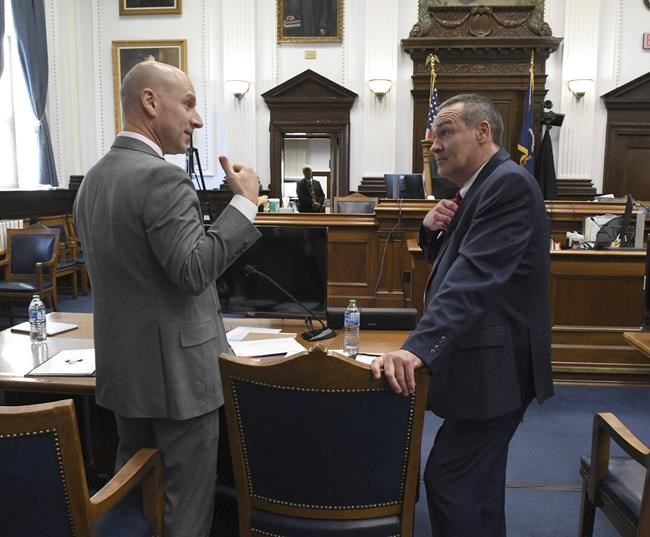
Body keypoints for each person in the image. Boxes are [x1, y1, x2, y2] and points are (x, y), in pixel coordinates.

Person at [73, 61, 261, 537]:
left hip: (124, 372)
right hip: (179, 381)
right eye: (190, 104)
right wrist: (245, 205)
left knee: (133, 498)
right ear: (150, 103)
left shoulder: (91, 182)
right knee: (186, 508)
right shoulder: (162, 178)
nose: (197, 120)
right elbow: (194, 270)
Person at [371, 93, 553, 537]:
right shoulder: (475, 190)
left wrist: (416, 350)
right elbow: (459, 259)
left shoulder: (506, 185)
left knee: (450, 480)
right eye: (433, 135)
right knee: (481, 485)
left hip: (499, 369)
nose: (433, 144)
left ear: (482, 133)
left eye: (445, 131)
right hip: (488, 363)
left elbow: (474, 277)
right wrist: (430, 233)